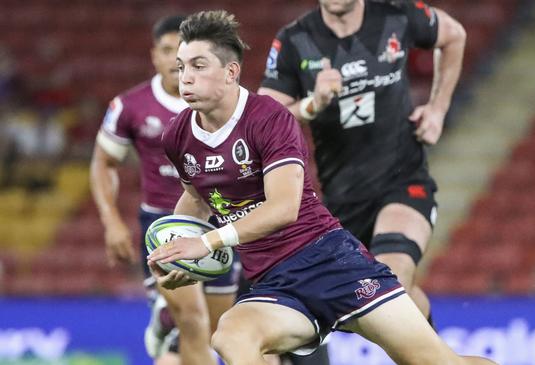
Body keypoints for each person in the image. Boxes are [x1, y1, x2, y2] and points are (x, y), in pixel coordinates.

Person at [147, 10, 495, 365]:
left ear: (231, 72)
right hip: (274, 284)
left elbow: (284, 209)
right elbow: (196, 198)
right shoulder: (178, 135)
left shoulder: (269, 118)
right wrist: (181, 254)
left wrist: (204, 243)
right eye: (181, 66)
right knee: (230, 336)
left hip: (332, 263)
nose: (184, 77)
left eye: (198, 66)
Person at [257, 0, 466, 323]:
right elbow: (264, 120)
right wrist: (314, 103)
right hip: (340, 201)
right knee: (373, 305)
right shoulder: (294, 40)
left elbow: (454, 35)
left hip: (403, 182)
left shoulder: (397, 14)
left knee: (390, 283)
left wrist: (438, 108)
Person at [89, 15, 240, 365]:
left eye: (182, 53)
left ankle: (165, 322)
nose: (175, 61)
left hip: (218, 222)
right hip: (164, 224)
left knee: (216, 328)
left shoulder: (220, 102)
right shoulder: (130, 106)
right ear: (154, 56)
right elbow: (102, 163)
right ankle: (173, 320)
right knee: (194, 320)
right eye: (167, 50)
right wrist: (111, 222)